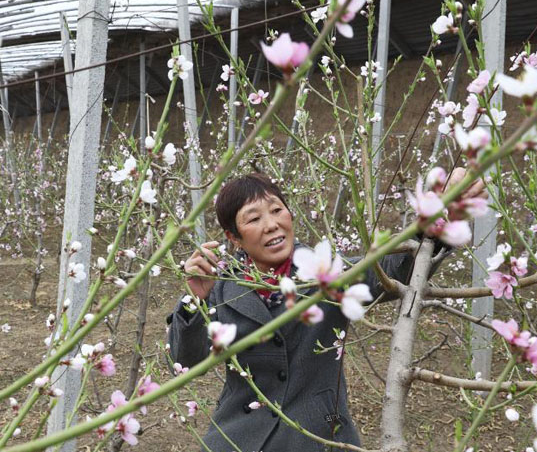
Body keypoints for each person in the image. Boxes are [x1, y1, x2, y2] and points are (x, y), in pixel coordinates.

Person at [167, 171, 485, 451]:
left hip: (319, 436)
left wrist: (439, 220)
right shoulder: (221, 287)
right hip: (239, 438)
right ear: (233, 238)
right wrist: (193, 299)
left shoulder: (326, 270)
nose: (272, 224)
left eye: (277, 210)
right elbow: (184, 362)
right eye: (253, 219)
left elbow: (393, 269)